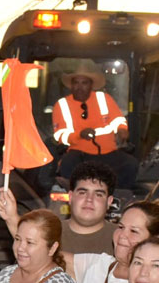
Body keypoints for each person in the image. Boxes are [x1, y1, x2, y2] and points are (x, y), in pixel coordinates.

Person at [0, 160, 117, 255]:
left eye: (98, 194)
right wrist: (11, 218)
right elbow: (29, 253)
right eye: (82, 192)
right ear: (70, 197)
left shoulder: (122, 238)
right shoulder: (49, 233)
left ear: (109, 202)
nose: (89, 199)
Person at [52, 61, 137, 189]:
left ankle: (117, 195)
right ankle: (74, 195)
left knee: (131, 164)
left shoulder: (104, 99)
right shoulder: (61, 105)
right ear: (71, 85)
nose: (79, 87)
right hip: (79, 154)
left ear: (91, 85)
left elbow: (118, 120)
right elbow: (60, 135)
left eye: (84, 83)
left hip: (109, 153)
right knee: (67, 164)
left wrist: (122, 129)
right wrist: (79, 135)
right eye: (76, 83)